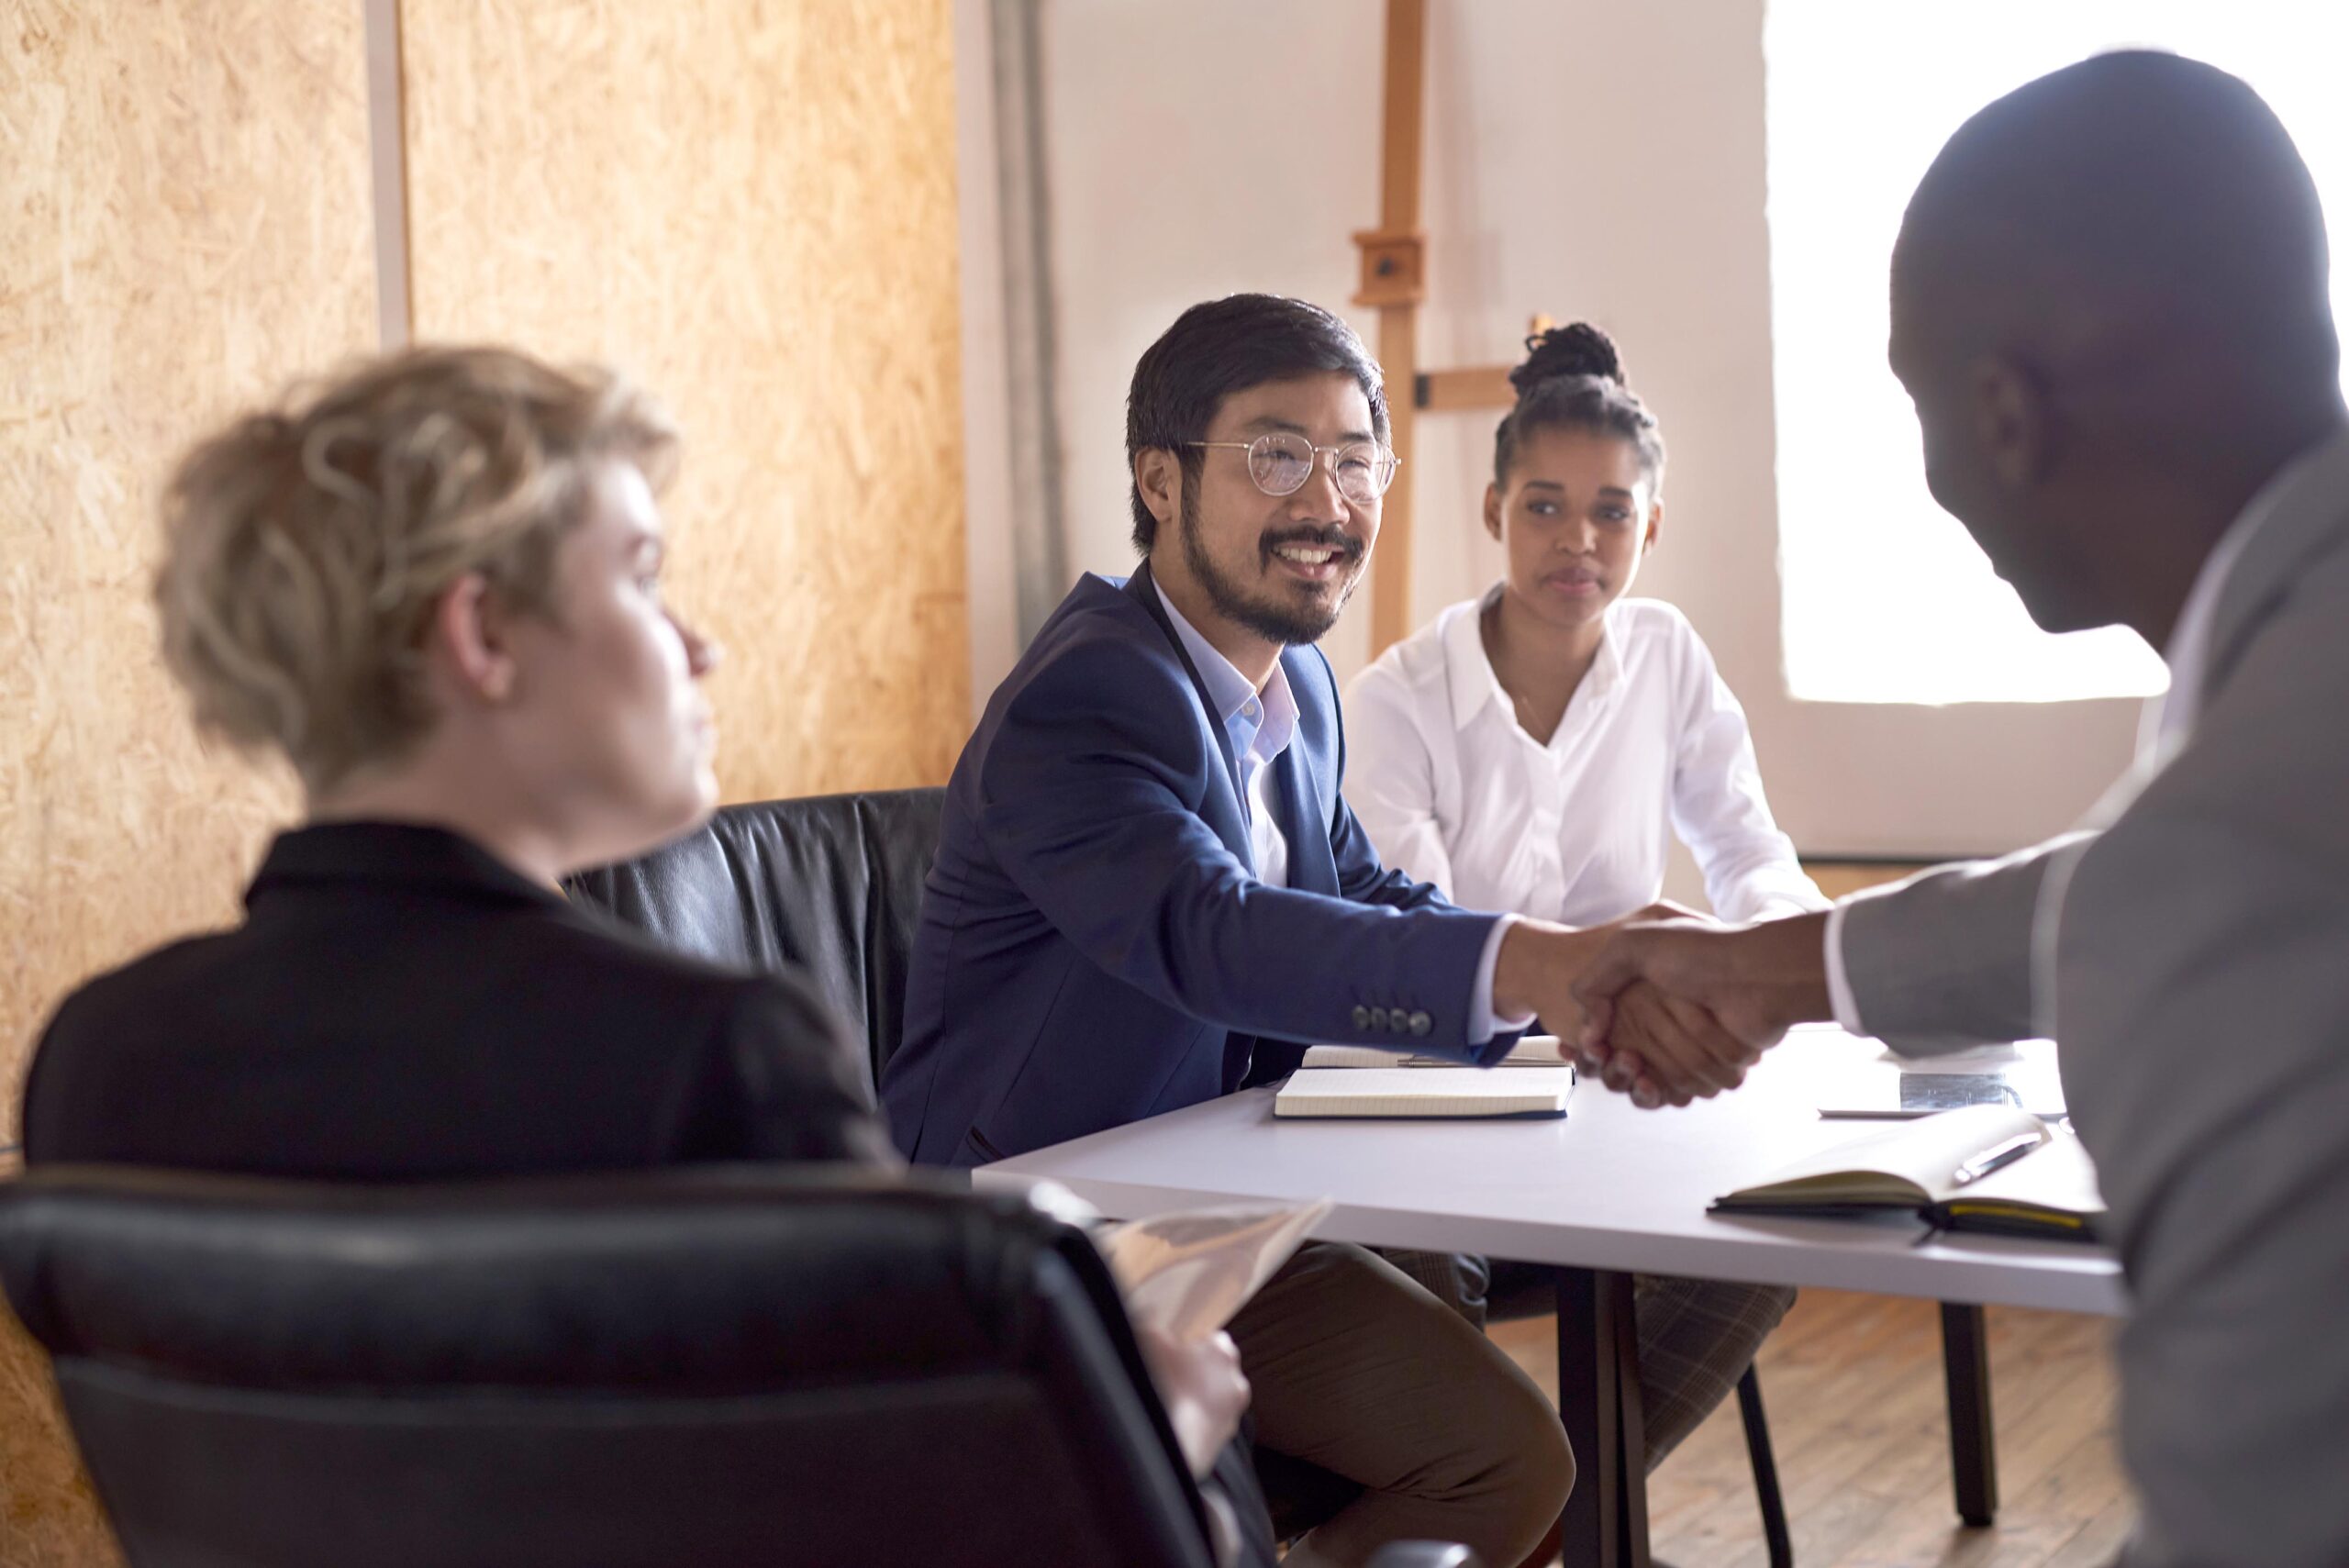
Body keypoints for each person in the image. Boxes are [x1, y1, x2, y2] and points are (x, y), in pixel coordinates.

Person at [17, 345, 1265, 1562]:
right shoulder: (716, 1059)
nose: (698, 645)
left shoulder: (97, 1057)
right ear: (484, 634)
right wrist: (1154, 1440)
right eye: (643, 576)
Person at [1568, 51, 2349, 1568]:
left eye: (1912, 400)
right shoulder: (2290, 706)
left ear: (2001, 410)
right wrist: (1764, 968)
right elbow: (2104, 898)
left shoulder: (2236, 850)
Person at [886, 293, 1742, 1566]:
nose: (1326, 503)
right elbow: (1221, 932)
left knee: (1531, 1343)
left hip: (1223, 1191)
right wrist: (1553, 969)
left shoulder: (1294, 686)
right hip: (1052, 1230)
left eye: (1356, 462)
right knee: (1504, 1461)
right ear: (1158, 481)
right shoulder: (1092, 694)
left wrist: (1572, 984)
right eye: (1276, 455)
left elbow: (1362, 894)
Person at [1342, 321, 1809, 1466]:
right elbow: (1420, 933)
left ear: (1651, 525)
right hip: (1440, 1100)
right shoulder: (1396, 698)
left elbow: (1748, 850)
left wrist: (1786, 962)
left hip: (1618, 1088)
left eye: (1611, 511)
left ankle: (1555, 1511)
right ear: (1492, 510)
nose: (1578, 540)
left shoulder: (1668, 656)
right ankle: (1482, 1489)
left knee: (1772, 1222)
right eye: (1544, 505)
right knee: (1417, 1259)